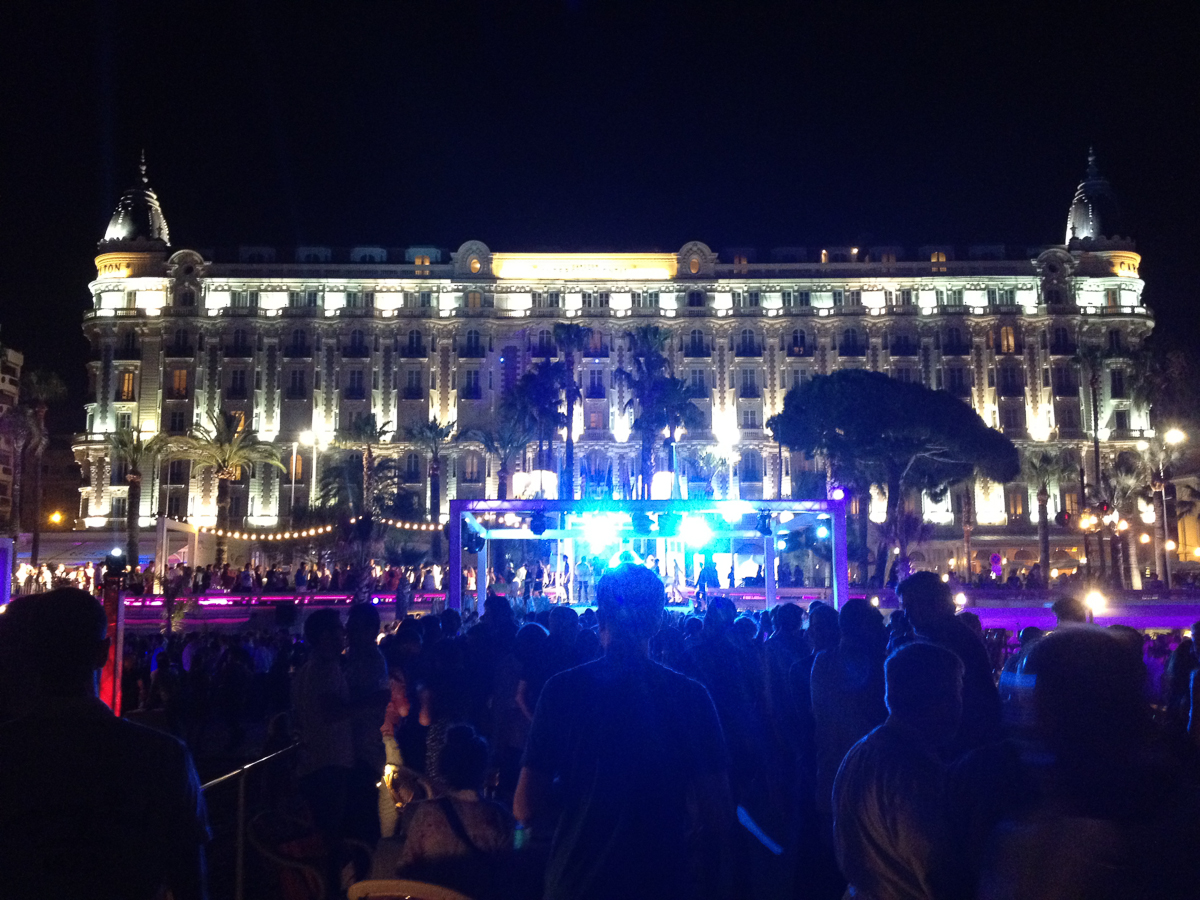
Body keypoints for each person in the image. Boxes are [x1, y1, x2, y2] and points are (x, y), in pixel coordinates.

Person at [514, 563, 733, 900]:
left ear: (600, 616)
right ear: (658, 620)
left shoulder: (561, 690)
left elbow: (525, 806)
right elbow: (717, 811)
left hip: (578, 880)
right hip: (661, 880)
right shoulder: (691, 697)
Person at [0, 588, 210, 900]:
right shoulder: (163, 756)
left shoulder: (10, 751)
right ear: (103, 652)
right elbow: (191, 881)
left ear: (29, 655)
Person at [833, 641, 963, 900]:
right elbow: (936, 869)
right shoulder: (914, 772)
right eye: (956, 692)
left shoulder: (858, 753)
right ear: (935, 699)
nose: (960, 705)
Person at [395, 725, 516, 900]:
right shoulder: (500, 817)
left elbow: (405, 870)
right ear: (483, 768)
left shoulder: (428, 813)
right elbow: (510, 875)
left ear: (445, 768)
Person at [897, 571, 1002, 756]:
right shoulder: (949, 635)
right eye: (905, 607)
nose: (906, 615)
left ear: (933, 603)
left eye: (911, 606)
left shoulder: (948, 642)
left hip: (960, 746)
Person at [345, 603, 391, 844]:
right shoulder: (354, 657)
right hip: (357, 749)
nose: (348, 631)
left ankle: (366, 863)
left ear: (370, 630)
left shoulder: (371, 659)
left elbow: (380, 697)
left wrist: (342, 709)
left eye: (354, 626)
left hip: (363, 749)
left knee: (361, 820)